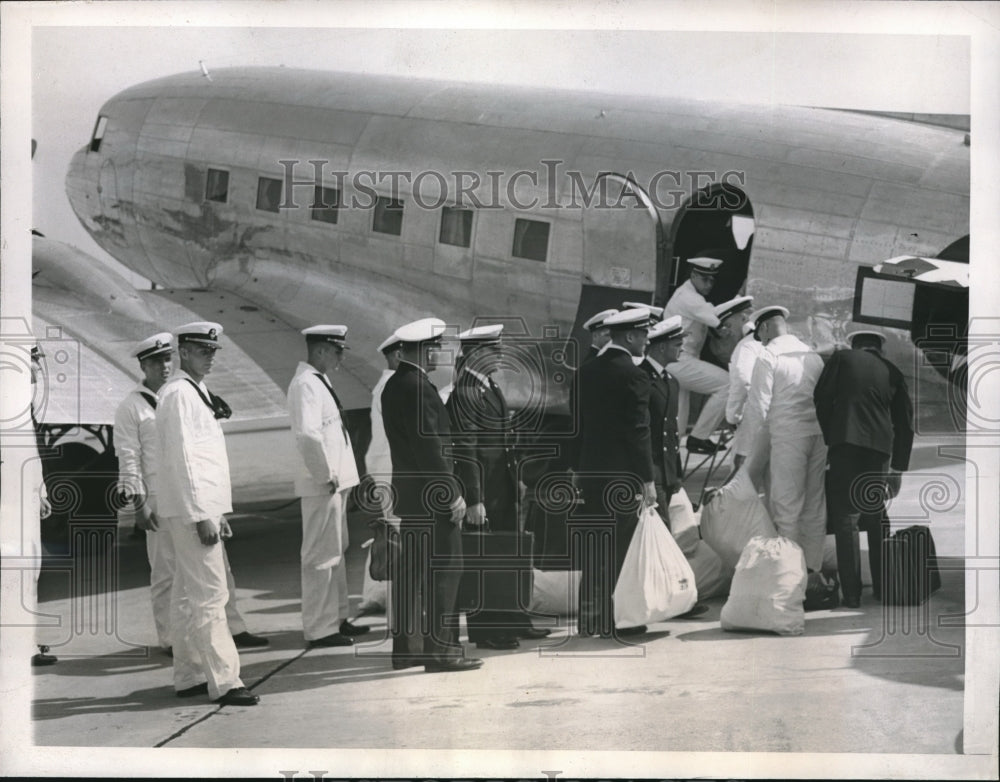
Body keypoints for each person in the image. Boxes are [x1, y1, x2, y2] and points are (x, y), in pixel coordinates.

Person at [114, 333, 266, 656]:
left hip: (192, 493)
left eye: (168, 359)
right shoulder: (132, 407)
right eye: (156, 361)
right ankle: (170, 638)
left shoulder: (187, 394)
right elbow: (128, 457)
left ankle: (233, 627)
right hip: (158, 497)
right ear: (143, 365)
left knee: (218, 566)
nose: (164, 366)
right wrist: (139, 506)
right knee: (166, 572)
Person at [155, 321, 259, 706]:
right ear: (183, 352)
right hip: (191, 510)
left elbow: (203, 461)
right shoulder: (180, 394)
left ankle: (189, 675)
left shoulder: (191, 391)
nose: (210, 358)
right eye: (202, 351)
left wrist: (216, 510)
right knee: (211, 597)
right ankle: (226, 681)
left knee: (186, 595)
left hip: (197, 507)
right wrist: (202, 514)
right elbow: (184, 459)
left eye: (213, 352)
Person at [381, 317, 483, 673]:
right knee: (445, 572)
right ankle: (440, 653)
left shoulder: (395, 385)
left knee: (413, 575)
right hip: (432, 500)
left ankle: (407, 650)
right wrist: (452, 494)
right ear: (424, 349)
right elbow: (430, 448)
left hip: (412, 499)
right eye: (436, 346)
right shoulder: (418, 388)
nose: (440, 352)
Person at [447, 325, 549, 651]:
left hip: (501, 488)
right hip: (485, 493)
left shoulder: (487, 386)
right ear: (477, 353)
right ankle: (487, 630)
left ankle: (514, 621)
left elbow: (502, 441)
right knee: (486, 562)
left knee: (506, 558)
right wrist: (474, 499)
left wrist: (515, 478)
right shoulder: (465, 392)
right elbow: (465, 449)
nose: (501, 355)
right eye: (495, 349)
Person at [813, 330, 914, 607]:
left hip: (844, 444)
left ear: (854, 345)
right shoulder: (891, 370)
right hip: (879, 450)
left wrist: (830, 436)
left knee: (847, 518)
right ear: (879, 349)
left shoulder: (841, 359)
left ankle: (853, 594)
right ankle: (882, 588)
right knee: (875, 513)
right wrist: (897, 469)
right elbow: (905, 424)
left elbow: (821, 398)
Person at [575, 307, 657, 637]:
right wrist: (648, 479)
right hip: (622, 477)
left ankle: (589, 619)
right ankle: (615, 620)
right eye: (645, 335)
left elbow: (577, 426)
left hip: (592, 474)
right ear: (631, 336)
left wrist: (579, 470)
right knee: (620, 549)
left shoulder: (587, 371)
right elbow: (639, 431)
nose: (647, 342)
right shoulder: (634, 375)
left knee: (595, 547)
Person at [287, 325, 369, 648]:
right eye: (337, 351)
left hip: (334, 483)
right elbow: (307, 436)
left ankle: (337, 617)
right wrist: (324, 473)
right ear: (320, 350)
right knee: (320, 557)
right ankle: (320, 629)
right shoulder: (305, 384)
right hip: (322, 484)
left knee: (336, 552)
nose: (340, 358)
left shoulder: (319, 381)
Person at [740, 306, 828, 574]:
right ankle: (813, 570)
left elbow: (757, 409)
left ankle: (790, 575)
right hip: (818, 436)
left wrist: (745, 452)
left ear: (765, 328)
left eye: (761, 335)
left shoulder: (768, 356)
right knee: (814, 506)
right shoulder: (812, 355)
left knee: (786, 508)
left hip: (788, 438)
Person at [641, 317, 711, 619]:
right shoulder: (642, 379)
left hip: (668, 473)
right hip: (652, 473)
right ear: (659, 347)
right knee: (662, 538)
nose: (681, 348)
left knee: (668, 538)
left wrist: (676, 475)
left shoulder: (670, 381)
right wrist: (648, 477)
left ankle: (672, 597)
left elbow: (669, 434)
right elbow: (643, 433)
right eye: (675, 343)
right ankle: (670, 599)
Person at [662, 256, 730, 454]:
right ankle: (699, 437)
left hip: (678, 360)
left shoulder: (685, 294)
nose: (709, 284)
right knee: (729, 384)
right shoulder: (689, 298)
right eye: (705, 279)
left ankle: (669, 471)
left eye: (712, 280)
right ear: (693, 275)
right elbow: (717, 317)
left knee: (677, 428)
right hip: (680, 359)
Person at [27, 345, 56, 666]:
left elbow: (32, 455)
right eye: (32, 360)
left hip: (29, 500)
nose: (37, 367)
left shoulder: (24, 408)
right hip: (10, 505)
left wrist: (42, 492)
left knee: (31, 570)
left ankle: (27, 642)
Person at [364, 334, 403, 515]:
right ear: (398, 356)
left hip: (387, 465)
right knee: (400, 531)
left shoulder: (390, 384)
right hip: (392, 468)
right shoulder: (393, 387)